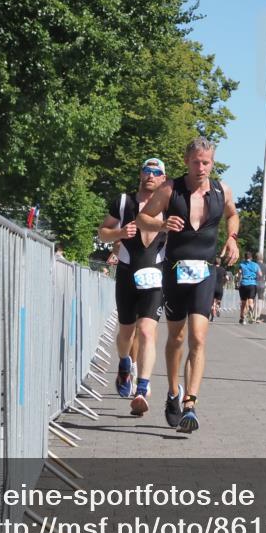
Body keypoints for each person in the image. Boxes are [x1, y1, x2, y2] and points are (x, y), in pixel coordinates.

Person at [137, 138, 240, 433]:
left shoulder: (222, 190)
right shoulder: (170, 189)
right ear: (186, 161)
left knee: (198, 337)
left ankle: (190, 405)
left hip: (205, 272)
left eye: (206, 162)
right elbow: (143, 217)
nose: (201, 168)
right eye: (196, 162)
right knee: (177, 339)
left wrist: (232, 239)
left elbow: (233, 215)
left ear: (212, 162)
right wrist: (161, 225)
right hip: (174, 271)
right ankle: (173, 392)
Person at [97, 158, 167, 414]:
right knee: (126, 333)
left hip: (155, 276)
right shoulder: (124, 202)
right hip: (127, 274)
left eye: (156, 172)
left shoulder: (170, 207)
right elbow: (102, 232)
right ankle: (125, 363)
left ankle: (142, 388)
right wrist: (118, 234)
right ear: (140, 174)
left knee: (147, 331)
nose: (150, 175)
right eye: (147, 171)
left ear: (162, 179)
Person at [236, 251, 261, 324]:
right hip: (252, 284)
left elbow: (239, 274)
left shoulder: (241, 264)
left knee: (243, 302)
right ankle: (251, 310)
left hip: (244, 284)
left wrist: (238, 282)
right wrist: (256, 278)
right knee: (251, 301)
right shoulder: (255, 265)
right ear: (251, 257)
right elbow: (260, 274)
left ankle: (242, 317)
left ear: (245, 257)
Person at [211, 256, 228, 321]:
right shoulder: (223, 269)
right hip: (220, 288)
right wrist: (224, 283)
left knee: (212, 302)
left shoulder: (211, 269)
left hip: (212, 287)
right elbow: (227, 278)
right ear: (220, 263)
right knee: (218, 301)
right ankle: (218, 308)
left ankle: (212, 313)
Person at [254, 252, 266, 322]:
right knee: (260, 300)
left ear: (256, 258)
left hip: (254, 283)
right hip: (262, 284)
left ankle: (253, 314)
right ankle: (258, 317)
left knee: (253, 299)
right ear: (262, 258)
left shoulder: (254, 265)